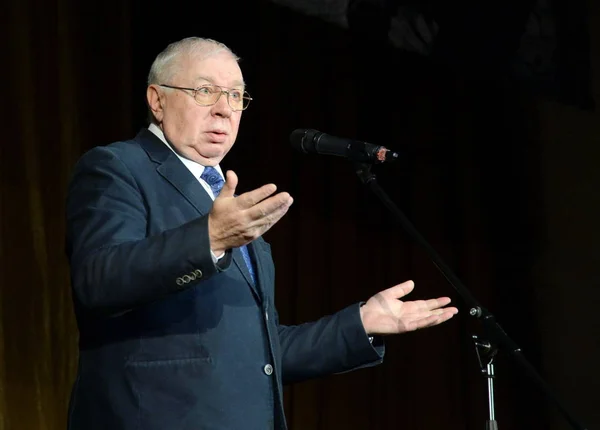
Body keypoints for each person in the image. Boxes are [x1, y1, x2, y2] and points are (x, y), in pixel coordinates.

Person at [65, 36, 458, 430]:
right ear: (157, 99)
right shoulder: (118, 167)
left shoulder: (228, 203)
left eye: (236, 96)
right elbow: (99, 280)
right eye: (205, 91)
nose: (224, 110)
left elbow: (258, 352)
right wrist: (211, 239)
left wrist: (360, 324)